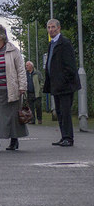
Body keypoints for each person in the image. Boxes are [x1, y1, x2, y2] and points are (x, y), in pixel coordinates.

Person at [43, 19, 81, 147]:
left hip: (65, 86)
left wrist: (64, 80)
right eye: (48, 27)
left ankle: (69, 138)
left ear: (59, 28)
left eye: (53, 27)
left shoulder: (64, 43)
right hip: (55, 85)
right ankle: (63, 136)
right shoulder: (51, 44)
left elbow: (70, 66)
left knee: (65, 112)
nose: (51, 30)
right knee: (59, 111)